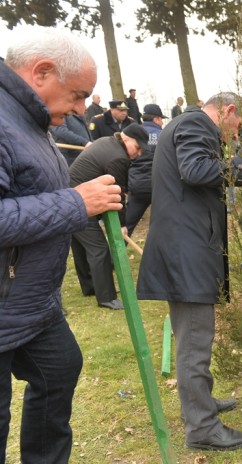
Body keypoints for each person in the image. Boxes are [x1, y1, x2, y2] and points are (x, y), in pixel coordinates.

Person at [1, 27, 123, 464]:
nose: (81, 109)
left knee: (59, 369)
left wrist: (78, 196)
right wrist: (76, 202)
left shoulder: (30, 121)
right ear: (42, 72)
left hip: (32, 303)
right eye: (77, 95)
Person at [138, 92, 242, 452]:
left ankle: (202, 404)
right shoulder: (197, 123)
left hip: (185, 247)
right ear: (228, 111)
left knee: (192, 338)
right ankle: (202, 428)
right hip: (186, 253)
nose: (235, 133)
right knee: (195, 341)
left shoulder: (183, 125)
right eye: (237, 124)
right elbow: (195, 170)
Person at [69, 124, 149, 310]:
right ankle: (106, 297)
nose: (138, 154)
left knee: (81, 246)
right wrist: (121, 224)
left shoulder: (107, 141)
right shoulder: (118, 157)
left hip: (71, 196)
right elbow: (116, 194)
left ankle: (91, 287)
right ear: (126, 139)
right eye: (137, 148)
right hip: (80, 201)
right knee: (99, 249)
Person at [126, 103, 167, 236]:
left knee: (126, 225)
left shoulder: (132, 134)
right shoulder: (161, 135)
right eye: (161, 119)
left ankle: (112, 254)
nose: (162, 123)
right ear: (156, 119)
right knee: (163, 225)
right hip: (158, 187)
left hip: (137, 185)